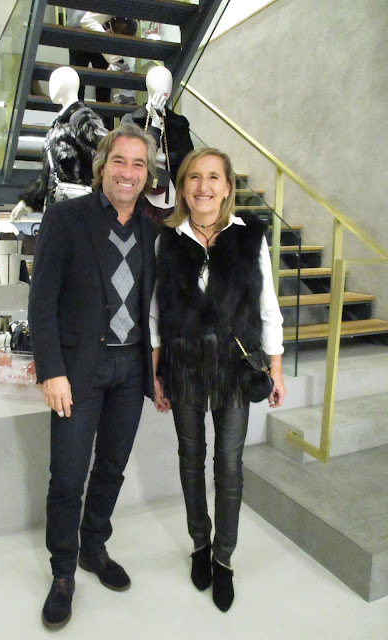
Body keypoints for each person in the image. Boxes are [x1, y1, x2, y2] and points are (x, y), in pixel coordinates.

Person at [28, 123, 159, 630]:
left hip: (130, 370)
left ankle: (93, 547)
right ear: (102, 166)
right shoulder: (66, 218)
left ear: (147, 175)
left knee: (111, 467)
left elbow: (156, 308)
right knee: (67, 477)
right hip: (78, 371)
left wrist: (159, 369)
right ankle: (63, 572)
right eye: (119, 161)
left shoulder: (152, 230)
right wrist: (51, 371)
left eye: (138, 164)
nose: (128, 172)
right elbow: (41, 302)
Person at [150, 147, 286, 612]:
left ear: (227, 187)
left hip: (234, 368)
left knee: (229, 466)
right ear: (183, 186)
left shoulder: (249, 238)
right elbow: (156, 314)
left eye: (213, 177)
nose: (203, 186)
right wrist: (156, 373)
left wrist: (276, 369)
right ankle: (199, 546)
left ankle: (224, 558)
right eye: (194, 176)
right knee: (191, 459)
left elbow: (268, 308)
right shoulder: (167, 241)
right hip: (184, 365)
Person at [11, 67, 107, 222]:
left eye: (55, 81)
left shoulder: (83, 119)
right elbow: (51, 173)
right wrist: (28, 201)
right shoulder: (61, 123)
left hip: (79, 212)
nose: (51, 86)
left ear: (69, 84)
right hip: (60, 209)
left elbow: (106, 159)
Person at [122, 66, 193, 223]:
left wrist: (165, 158)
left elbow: (189, 158)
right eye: (159, 81)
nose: (164, 86)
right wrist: (154, 124)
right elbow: (132, 157)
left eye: (168, 82)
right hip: (139, 192)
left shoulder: (179, 123)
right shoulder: (131, 121)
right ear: (148, 84)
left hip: (171, 192)